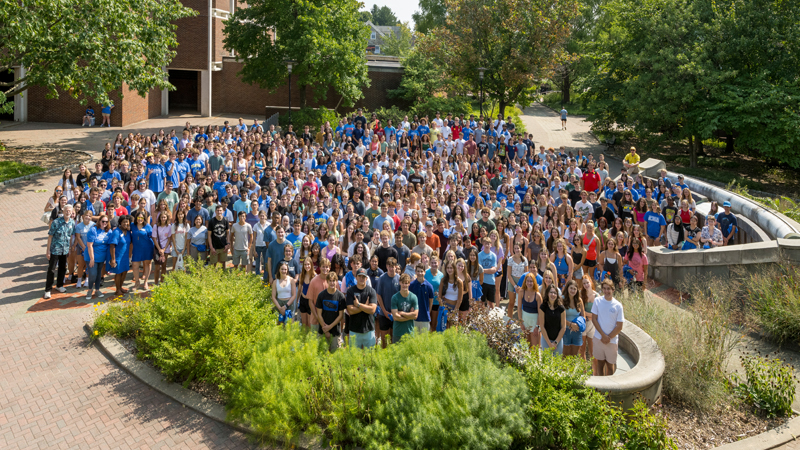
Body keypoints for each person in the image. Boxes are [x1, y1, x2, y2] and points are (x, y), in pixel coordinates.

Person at [592, 279, 624, 376]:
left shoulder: (618, 306)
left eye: (608, 289)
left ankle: (609, 388)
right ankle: (601, 387)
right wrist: (602, 335)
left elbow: (619, 326)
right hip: (599, 338)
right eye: (604, 289)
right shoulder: (597, 301)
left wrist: (608, 337)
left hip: (612, 341)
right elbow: (594, 319)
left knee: (610, 365)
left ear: (613, 289)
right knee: (600, 363)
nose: (606, 291)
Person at [44, 205, 76, 299]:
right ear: (63, 210)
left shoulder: (72, 222)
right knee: (51, 270)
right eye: (66, 210)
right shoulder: (56, 222)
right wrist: (48, 251)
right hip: (55, 249)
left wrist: (69, 248)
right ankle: (48, 290)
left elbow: (70, 237)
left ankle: (59, 285)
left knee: (63, 268)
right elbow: (50, 236)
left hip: (65, 250)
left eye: (70, 211)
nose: (68, 212)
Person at [346, 267, 378, 348]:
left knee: (370, 358)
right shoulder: (350, 291)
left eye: (363, 277)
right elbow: (350, 311)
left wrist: (358, 305)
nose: (361, 278)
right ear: (356, 277)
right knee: (354, 359)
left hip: (369, 330)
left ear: (366, 278)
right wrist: (366, 306)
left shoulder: (371, 291)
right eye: (359, 276)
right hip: (354, 330)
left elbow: (372, 310)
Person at [315, 271, 346, 352]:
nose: (332, 283)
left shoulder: (340, 296)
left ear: (336, 282)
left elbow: (340, 316)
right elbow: (319, 314)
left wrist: (329, 327)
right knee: (321, 355)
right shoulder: (321, 295)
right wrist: (326, 329)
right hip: (323, 330)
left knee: (335, 355)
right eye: (330, 281)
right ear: (327, 281)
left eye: (334, 281)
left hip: (335, 331)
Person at [85, 214, 113, 299]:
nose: (104, 223)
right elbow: (89, 245)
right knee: (92, 274)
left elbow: (110, 244)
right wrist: (92, 259)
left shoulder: (109, 231)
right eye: (103, 221)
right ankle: (89, 290)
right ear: (99, 221)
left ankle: (97, 290)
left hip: (102, 257)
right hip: (91, 256)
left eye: (106, 222)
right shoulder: (93, 230)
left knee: (99, 274)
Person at [376, 257, 400, 347]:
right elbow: (379, 295)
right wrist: (384, 311)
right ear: (386, 266)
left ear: (396, 267)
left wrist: (396, 312)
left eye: (393, 266)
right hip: (383, 313)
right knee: (384, 339)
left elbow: (401, 296)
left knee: (394, 339)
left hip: (396, 313)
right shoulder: (382, 278)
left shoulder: (399, 279)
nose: (391, 268)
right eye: (389, 266)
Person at [391, 273, 419, 343]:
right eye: (403, 283)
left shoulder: (413, 297)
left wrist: (402, 313)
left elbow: (415, 315)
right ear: (400, 283)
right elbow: (395, 317)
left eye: (406, 283)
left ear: (409, 284)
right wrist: (410, 315)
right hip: (398, 332)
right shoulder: (395, 298)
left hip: (409, 332)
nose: (404, 285)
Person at [539, 284, 566, 355]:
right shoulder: (543, 307)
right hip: (546, 339)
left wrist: (555, 342)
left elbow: (563, 327)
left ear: (557, 295)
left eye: (555, 293)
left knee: (557, 363)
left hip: (558, 340)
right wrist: (549, 343)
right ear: (547, 293)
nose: (553, 294)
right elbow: (542, 326)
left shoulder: (561, 308)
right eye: (551, 292)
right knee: (546, 364)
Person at [108, 215, 132, 296]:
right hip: (117, 256)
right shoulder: (116, 232)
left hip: (125, 257)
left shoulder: (128, 232)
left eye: (127, 222)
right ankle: (117, 290)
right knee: (118, 273)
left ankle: (120, 287)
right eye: (124, 222)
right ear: (120, 223)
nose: (126, 223)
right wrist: (113, 259)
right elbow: (112, 245)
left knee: (124, 272)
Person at [516, 273, 541, 349]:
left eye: (531, 281)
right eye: (528, 281)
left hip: (534, 323)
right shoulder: (521, 292)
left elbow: (540, 313)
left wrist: (537, 326)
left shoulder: (538, 295)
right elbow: (519, 308)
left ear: (534, 282)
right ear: (525, 282)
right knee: (526, 347)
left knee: (534, 349)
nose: (529, 283)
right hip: (525, 322)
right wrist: (521, 322)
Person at [561, 280, 585, 357]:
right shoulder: (562, 299)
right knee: (565, 355)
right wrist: (571, 324)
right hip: (565, 330)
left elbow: (583, 316)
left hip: (577, 331)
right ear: (567, 288)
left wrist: (577, 326)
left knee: (574, 356)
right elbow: (559, 317)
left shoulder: (579, 300)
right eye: (571, 288)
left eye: (574, 289)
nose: (572, 290)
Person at [409, 263, 434, 334]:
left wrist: (427, 312)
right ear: (415, 272)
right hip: (414, 317)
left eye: (421, 271)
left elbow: (430, 302)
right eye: (418, 271)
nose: (420, 273)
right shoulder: (411, 285)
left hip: (425, 318)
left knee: (424, 341)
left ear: (424, 272)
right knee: (414, 340)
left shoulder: (429, 286)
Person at [478, 237, 498, 308]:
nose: (487, 245)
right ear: (483, 244)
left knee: (491, 303)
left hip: (491, 282)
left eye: (488, 244)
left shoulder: (493, 256)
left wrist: (483, 270)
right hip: (482, 282)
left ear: (491, 245)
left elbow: (493, 270)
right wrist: (488, 270)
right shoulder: (479, 255)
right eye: (485, 243)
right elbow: (479, 270)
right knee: (481, 302)